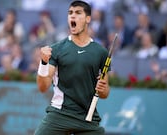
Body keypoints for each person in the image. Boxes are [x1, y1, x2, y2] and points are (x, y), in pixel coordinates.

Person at [35, 1, 110, 135]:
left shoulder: (101, 53)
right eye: (70, 13)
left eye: (78, 13)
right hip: (60, 114)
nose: (72, 17)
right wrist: (43, 63)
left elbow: (104, 93)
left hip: (88, 117)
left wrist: (103, 89)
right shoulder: (57, 49)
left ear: (88, 19)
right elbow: (43, 87)